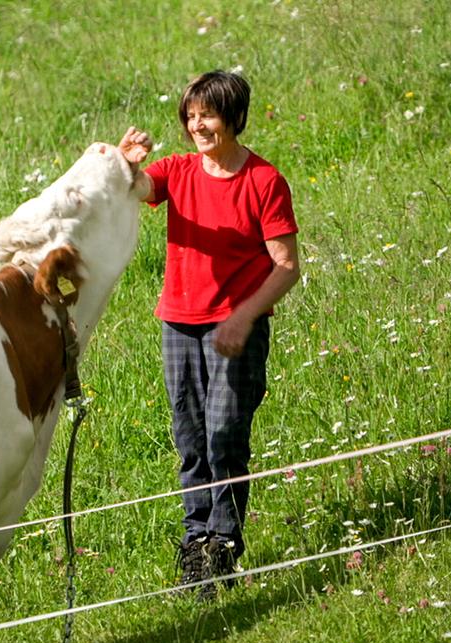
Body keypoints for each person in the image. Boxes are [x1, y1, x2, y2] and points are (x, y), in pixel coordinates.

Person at [118, 70, 301, 600]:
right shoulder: (177, 171)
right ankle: (195, 546)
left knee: (225, 434)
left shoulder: (265, 181)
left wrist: (243, 317)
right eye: (190, 116)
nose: (197, 125)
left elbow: (286, 267)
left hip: (233, 329)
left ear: (234, 117)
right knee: (190, 440)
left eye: (208, 115)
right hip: (178, 322)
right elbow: (136, 188)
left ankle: (223, 546)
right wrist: (126, 164)